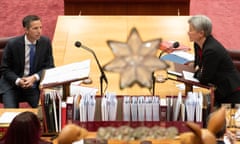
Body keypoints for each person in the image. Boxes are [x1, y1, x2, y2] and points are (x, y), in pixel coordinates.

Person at [0, 15, 55, 108]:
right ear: (26, 30)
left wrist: (34, 77)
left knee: (44, 111)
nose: (39, 31)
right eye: (35, 28)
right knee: (10, 115)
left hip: (32, 85)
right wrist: (18, 80)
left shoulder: (45, 42)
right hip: (12, 85)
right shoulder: (12, 44)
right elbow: (5, 69)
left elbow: (50, 66)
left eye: (41, 27)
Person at [187, 14, 240, 108]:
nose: (188, 32)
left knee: (228, 121)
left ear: (201, 33)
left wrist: (198, 72)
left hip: (231, 92)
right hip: (219, 89)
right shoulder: (197, 44)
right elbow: (197, 64)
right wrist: (199, 70)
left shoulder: (211, 50)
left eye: (191, 30)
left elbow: (204, 79)